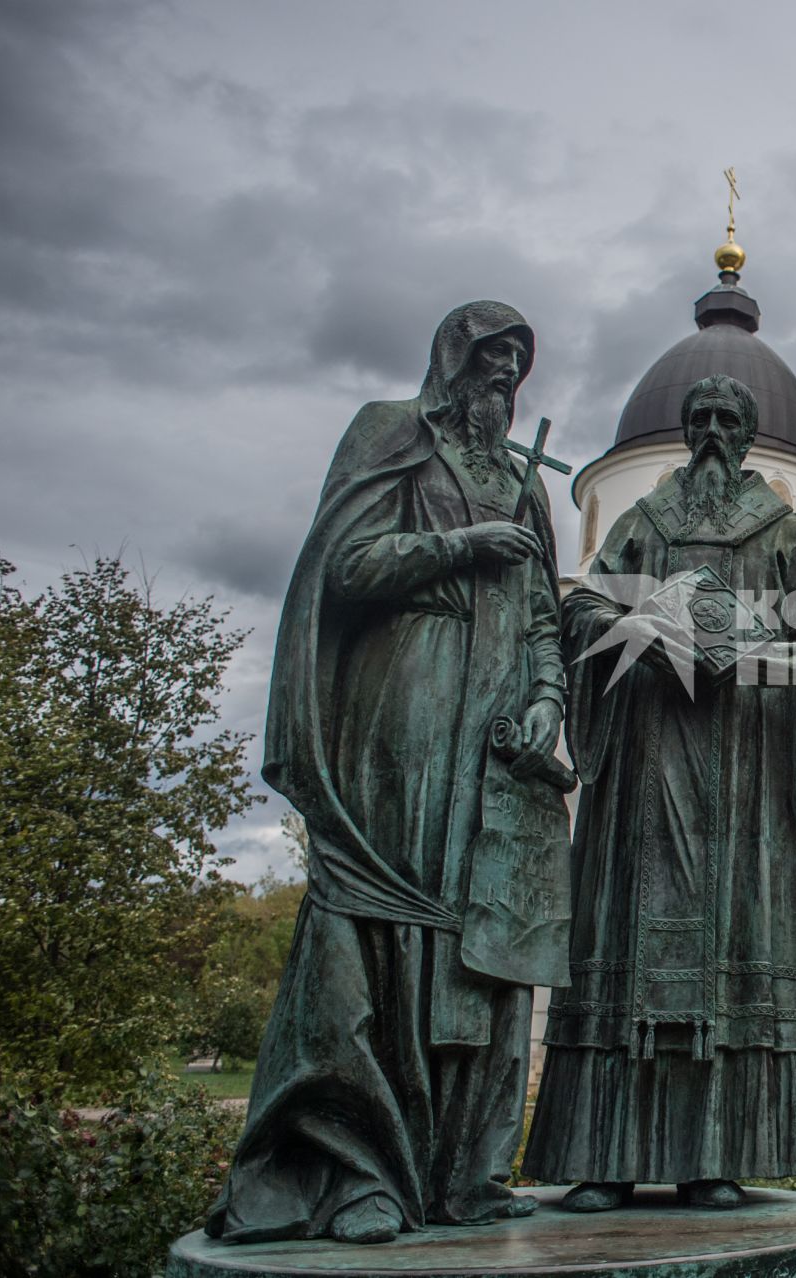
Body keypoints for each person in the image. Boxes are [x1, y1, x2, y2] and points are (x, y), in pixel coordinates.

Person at [207, 301, 565, 1244]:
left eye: (516, 362)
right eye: (489, 355)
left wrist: (546, 703)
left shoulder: (524, 484)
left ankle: (467, 1172)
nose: (503, 373)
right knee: (376, 921)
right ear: (453, 357)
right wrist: (457, 546)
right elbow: (345, 566)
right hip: (405, 698)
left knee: (486, 937)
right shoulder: (391, 434)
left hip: (497, 731)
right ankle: (357, 1171)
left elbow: (541, 619)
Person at [525, 374, 796, 1210]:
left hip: (737, 775)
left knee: (725, 954)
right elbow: (583, 607)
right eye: (697, 418)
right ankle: (603, 1159)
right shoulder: (644, 522)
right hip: (641, 759)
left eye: (725, 419)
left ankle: (715, 1159)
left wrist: (746, 655)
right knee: (621, 946)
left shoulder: (780, 533)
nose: (708, 431)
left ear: (745, 435)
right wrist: (634, 624)